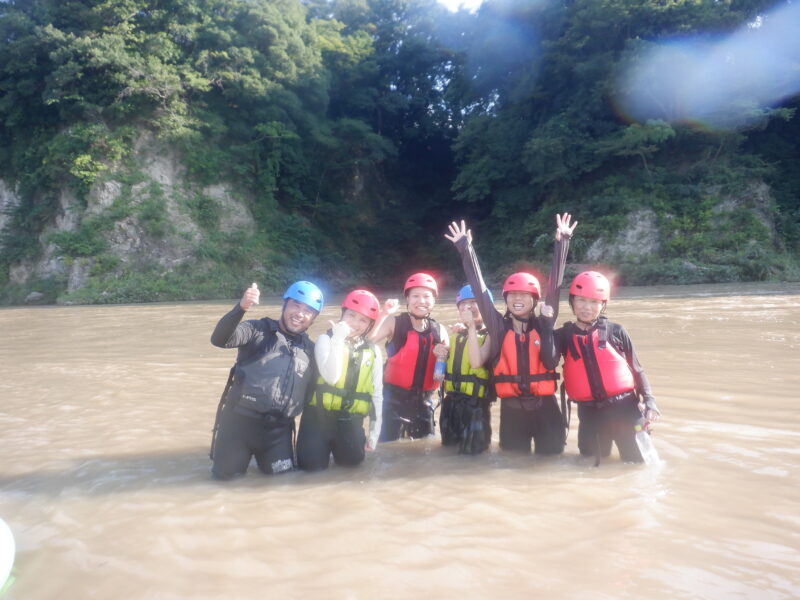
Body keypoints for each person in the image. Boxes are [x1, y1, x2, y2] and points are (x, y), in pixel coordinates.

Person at [445, 214, 577, 455]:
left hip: (546, 410)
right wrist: (466, 249)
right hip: (512, 412)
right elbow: (479, 288)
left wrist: (563, 242)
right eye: (512, 295)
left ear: (534, 300)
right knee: (513, 466)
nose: (518, 299)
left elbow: (555, 285)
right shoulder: (498, 327)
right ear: (505, 300)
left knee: (551, 464)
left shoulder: (545, 320)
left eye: (525, 295)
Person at [209, 281, 323, 479]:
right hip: (238, 425)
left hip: (278, 433)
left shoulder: (312, 351)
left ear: (313, 318)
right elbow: (220, 339)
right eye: (295, 305)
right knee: (224, 482)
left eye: (308, 310)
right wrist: (242, 307)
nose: (300, 313)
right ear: (284, 305)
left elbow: (317, 391)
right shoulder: (257, 330)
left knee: (282, 484)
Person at [555, 271, 661, 463]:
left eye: (594, 302)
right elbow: (547, 359)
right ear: (572, 301)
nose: (587, 307)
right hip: (590, 414)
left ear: (603, 304)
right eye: (581, 300)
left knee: (641, 464)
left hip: (626, 409)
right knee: (589, 464)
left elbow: (637, 369)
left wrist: (649, 401)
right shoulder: (562, 336)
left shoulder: (617, 331)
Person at [296, 290, 384, 470]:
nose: (355, 323)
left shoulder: (373, 351)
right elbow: (331, 376)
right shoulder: (325, 340)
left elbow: (377, 394)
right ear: (342, 314)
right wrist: (338, 338)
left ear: (369, 325)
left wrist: (374, 433)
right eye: (351, 315)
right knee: (310, 470)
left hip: (350, 419)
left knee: (352, 467)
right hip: (318, 418)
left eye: (363, 320)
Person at [370, 273, 449, 441]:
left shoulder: (440, 330)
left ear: (434, 301)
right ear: (407, 299)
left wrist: (441, 358)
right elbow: (367, 343)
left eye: (426, 296)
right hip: (393, 401)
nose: (421, 301)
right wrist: (383, 314)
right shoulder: (394, 323)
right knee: (387, 449)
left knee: (426, 451)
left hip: (424, 402)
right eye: (416, 296)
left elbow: (441, 375)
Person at [440, 284, 494, 454]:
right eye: (463, 304)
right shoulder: (456, 334)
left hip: (475, 405)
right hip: (451, 403)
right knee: (447, 451)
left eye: (473, 302)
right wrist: (439, 351)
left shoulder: (491, 335)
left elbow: (476, 362)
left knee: (472, 454)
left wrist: (471, 327)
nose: (468, 307)